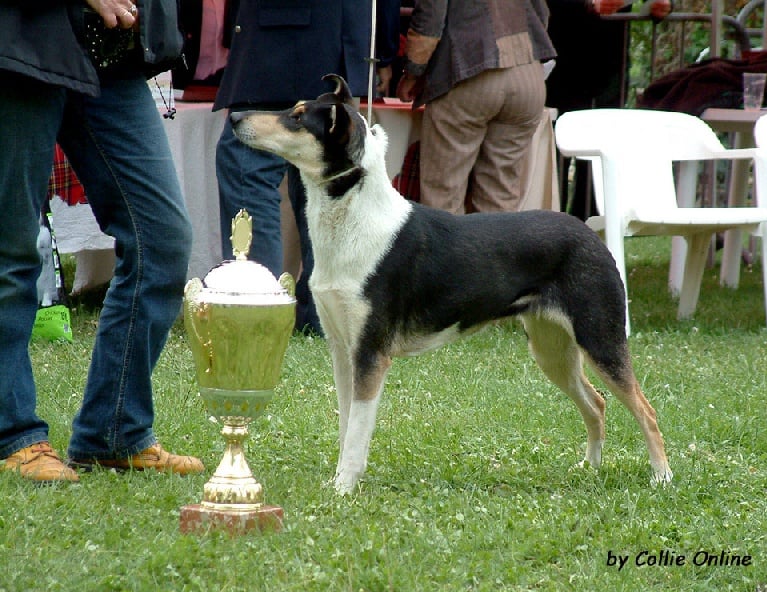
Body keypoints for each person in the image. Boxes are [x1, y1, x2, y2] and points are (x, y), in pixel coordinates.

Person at [0, 0, 205, 482]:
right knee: (11, 250)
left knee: (162, 238)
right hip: (22, 39)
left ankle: (114, 433)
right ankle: (13, 435)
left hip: (113, 56)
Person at [214, 0, 400, 336]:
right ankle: (325, 319)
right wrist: (382, 50)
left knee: (248, 165)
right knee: (324, 180)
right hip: (344, 39)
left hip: (285, 39)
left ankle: (258, 309)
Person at [395, 0, 556, 215]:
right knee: (500, 198)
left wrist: (413, 72)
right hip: (528, 74)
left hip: (469, 71)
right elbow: (541, 13)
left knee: (444, 196)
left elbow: (430, 18)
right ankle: (498, 239)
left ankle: (449, 239)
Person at [546, 0, 672, 219]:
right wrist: (587, 5)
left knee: (598, 157)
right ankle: (550, 225)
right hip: (561, 66)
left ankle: (589, 228)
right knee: (554, 158)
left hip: (610, 69)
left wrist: (661, 6)